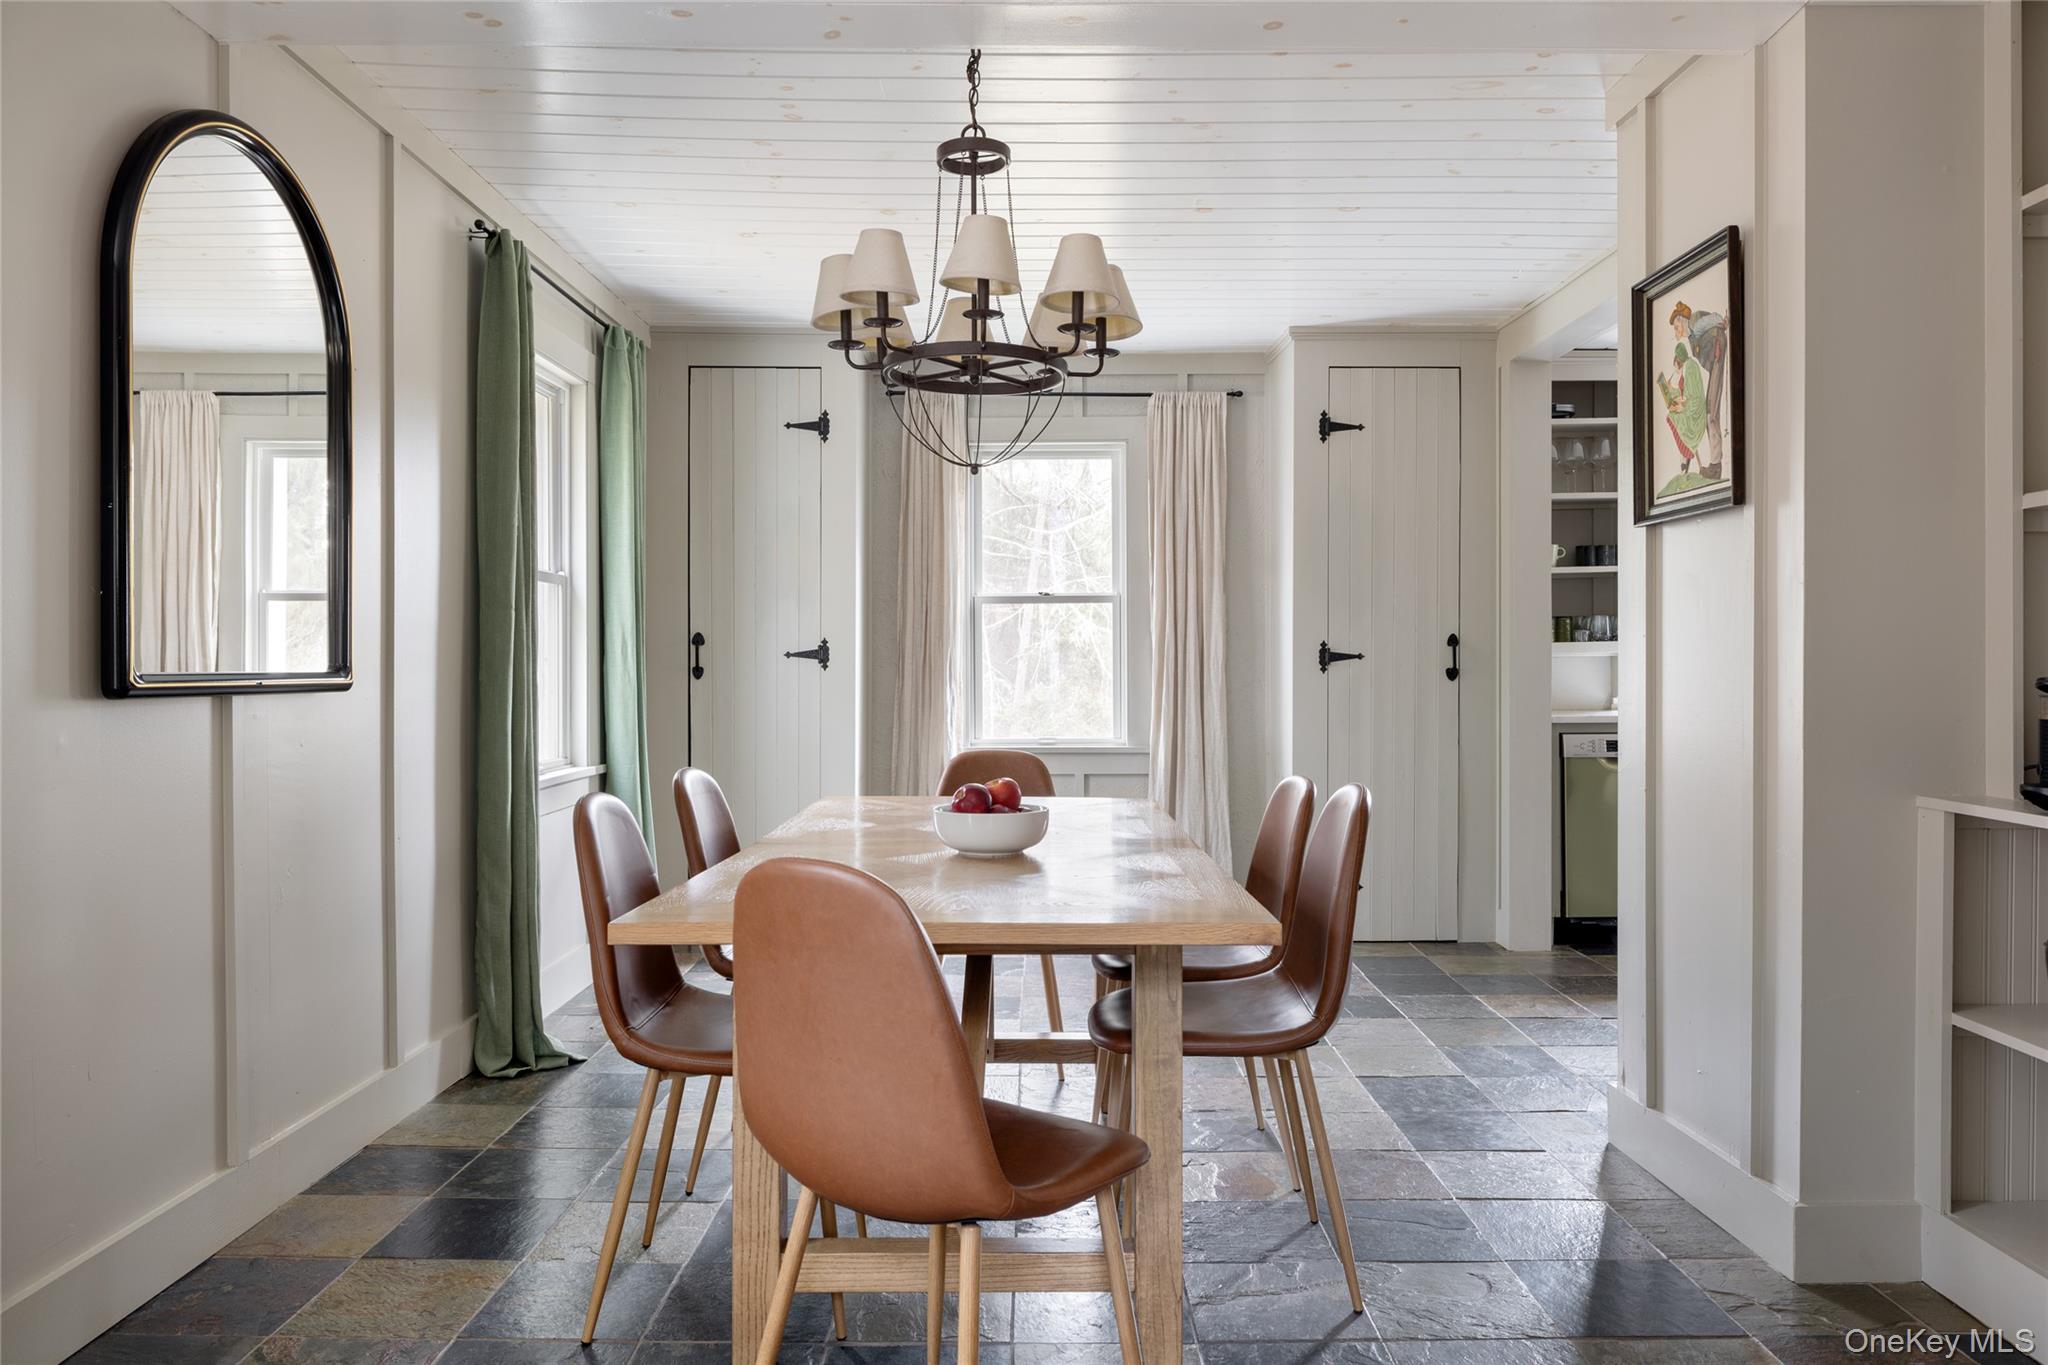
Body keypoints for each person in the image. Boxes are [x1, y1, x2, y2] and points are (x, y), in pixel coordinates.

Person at [1669, 301, 1728, 477]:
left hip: (1717, 358)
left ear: (1682, 320)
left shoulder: (1695, 324)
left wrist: (1722, 323)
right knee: (1710, 413)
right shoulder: (1692, 336)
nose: (1676, 331)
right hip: (1715, 363)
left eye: (1676, 326)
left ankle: (1715, 466)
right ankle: (1715, 464)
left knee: (1711, 414)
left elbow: (1716, 318)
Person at [1655, 340, 1708, 480]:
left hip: (1696, 412)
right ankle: (1684, 460)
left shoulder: (1690, 367)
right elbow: (1684, 393)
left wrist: (1680, 406)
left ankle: (1685, 461)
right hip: (1691, 406)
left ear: (1678, 360)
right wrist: (1670, 390)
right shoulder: (1688, 366)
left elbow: (1692, 397)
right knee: (1673, 415)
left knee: (1672, 417)